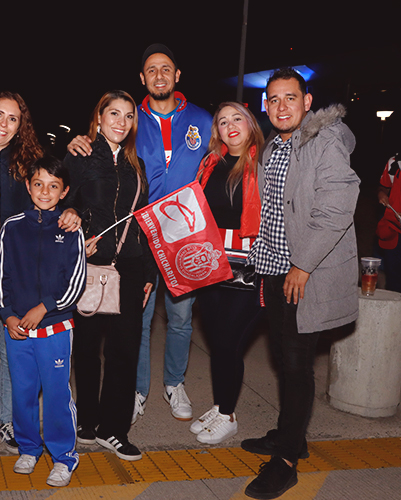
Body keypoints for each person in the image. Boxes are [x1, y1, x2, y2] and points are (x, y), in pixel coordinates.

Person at [68, 44, 212, 425]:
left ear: (177, 75)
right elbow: (101, 157)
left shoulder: (202, 120)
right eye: (151, 70)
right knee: (139, 319)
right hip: (139, 235)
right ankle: (137, 389)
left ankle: (174, 383)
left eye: (166, 68)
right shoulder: (132, 120)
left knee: (180, 317)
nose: (159, 75)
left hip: (184, 234)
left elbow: (222, 160)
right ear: (142, 78)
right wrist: (78, 142)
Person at [242, 68, 359, 499]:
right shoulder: (274, 145)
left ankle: (287, 460)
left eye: (290, 98)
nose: (281, 106)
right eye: (273, 99)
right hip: (274, 270)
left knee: (295, 365)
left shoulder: (325, 142)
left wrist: (303, 266)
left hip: (303, 275)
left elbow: (336, 208)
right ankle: (292, 434)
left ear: (307, 102)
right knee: (283, 357)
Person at [0, 91, 81, 457]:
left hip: (17, 272)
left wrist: (72, 211)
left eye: (12, 118)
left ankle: (8, 420)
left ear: (22, 126)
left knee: (13, 354)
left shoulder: (29, 161)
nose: (3, 124)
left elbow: (55, 189)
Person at [64, 90, 156, 461]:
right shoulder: (80, 154)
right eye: (114, 113)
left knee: (125, 350)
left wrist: (149, 269)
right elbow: (61, 203)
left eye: (128, 115)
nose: (121, 121)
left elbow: (143, 220)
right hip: (91, 265)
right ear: (99, 117)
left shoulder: (137, 164)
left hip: (130, 266)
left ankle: (114, 429)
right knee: (87, 348)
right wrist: (76, 231)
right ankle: (87, 420)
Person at [0, 156, 86, 487]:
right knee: (23, 392)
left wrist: (44, 308)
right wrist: (7, 314)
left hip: (55, 328)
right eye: (38, 184)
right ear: (29, 186)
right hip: (17, 328)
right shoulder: (12, 226)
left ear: (64, 191)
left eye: (53, 186)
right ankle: (29, 448)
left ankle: (64, 456)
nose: (45, 191)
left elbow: (76, 282)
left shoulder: (71, 228)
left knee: (57, 393)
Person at [190, 102, 264, 445]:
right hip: (212, 263)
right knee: (218, 341)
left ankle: (228, 415)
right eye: (222, 121)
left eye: (237, 118)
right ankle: (220, 406)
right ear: (216, 130)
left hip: (249, 266)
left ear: (250, 124)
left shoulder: (263, 164)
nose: (230, 125)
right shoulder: (210, 163)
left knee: (229, 342)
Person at [376, 154, 401, 292]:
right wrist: (381, 193)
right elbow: (383, 187)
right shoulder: (394, 163)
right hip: (393, 229)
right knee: (393, 278)